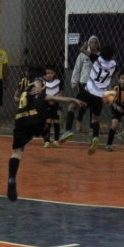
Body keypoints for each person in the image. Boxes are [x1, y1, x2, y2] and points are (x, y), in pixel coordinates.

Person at [7, 67, 86, 201]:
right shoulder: (38, 84)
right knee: (45, 121)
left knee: (17, 151)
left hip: (19, 119)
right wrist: (71, 99)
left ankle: (11, 178)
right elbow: (46, 92)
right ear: (40, 78)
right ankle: (45, 134)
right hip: (35, 118)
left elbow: (48, 96)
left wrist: (70, 99)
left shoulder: (26, 90)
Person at [60, 39, 117, 154]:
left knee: (72, 107)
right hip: (99, 95)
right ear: (112, 56)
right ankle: (95, 137)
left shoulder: (96, 58)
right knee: (95, 118)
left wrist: (85, 44)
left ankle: (68, 130)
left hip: (88, 91)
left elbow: (82, 50)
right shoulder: (114, 66)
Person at [69, 35, 99, 133]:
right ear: (89, 43)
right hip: (84, 82)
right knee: (83, 104)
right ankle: (79, 120)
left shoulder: (99, 55)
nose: (93, 44)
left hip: (95, 83)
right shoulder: (83, 55)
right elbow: (77, 68)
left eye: (95, 42)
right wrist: (74, 81)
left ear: (98, 44)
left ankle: (91, 126)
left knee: (93, 105)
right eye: (92, 42)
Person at [42, 64, 63, 148]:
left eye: (51, 73)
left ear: (54, 74)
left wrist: (57, 99)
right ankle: (47, 140)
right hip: (46, 104)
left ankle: (56, 140)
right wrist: (47, 100)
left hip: (55, 104)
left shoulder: (58, 82)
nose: (49, 75)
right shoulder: (42, 83)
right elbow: (41, 94)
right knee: (48, 122)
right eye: (47, 73)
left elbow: (61, 92)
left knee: (56, 121)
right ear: (45, 74)